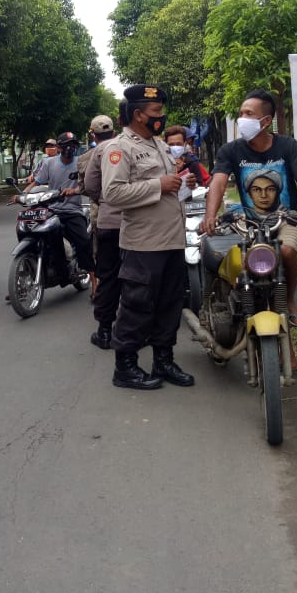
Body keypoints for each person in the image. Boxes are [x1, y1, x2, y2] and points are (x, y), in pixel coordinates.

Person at [200, 89, 297, 328]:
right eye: (241, 113)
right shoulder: (231, 150)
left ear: (266, 121)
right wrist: (210, 216)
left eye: (249, 114)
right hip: (249, 221)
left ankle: (289, 301)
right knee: (242, 262)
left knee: (286, 252)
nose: (242, 119)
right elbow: (218, 182)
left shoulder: (288, 146)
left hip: (286, 218)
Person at [102, 84, 198, 390]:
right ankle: (125, 367)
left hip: (172, 239)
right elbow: (113, 193)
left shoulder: (159, 145)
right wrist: (159, 185)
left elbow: (169, 188)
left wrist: (183, 185)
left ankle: (163, 360)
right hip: (143, 244)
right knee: (137, 306)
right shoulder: (120, 148)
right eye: (156, 111)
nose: (161, 116)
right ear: (138, 115)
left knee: (169, 305)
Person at [18, 131, 95, 282]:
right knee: (34, 232)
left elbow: (87, 185)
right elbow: (37, 182)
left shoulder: (80, 162)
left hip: (73, 210)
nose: (70, 148)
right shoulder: (49, 163)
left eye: (73, 145)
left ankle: (93, 280)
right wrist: (22, 194)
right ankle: (35, 272)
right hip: (51, 210)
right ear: (59, 147)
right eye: (66, 145)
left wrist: (74, 190)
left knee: (84, 242)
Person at [80, 113, 122, 349]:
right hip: (137, 225)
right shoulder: (129, 147)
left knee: (108, 277)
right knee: (137, 278)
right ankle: (135, 331)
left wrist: (105, 201)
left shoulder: (96, 153)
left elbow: (90, 186)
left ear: (93, 135)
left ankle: (105, 331)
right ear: (114, 132)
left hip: (108, 223)